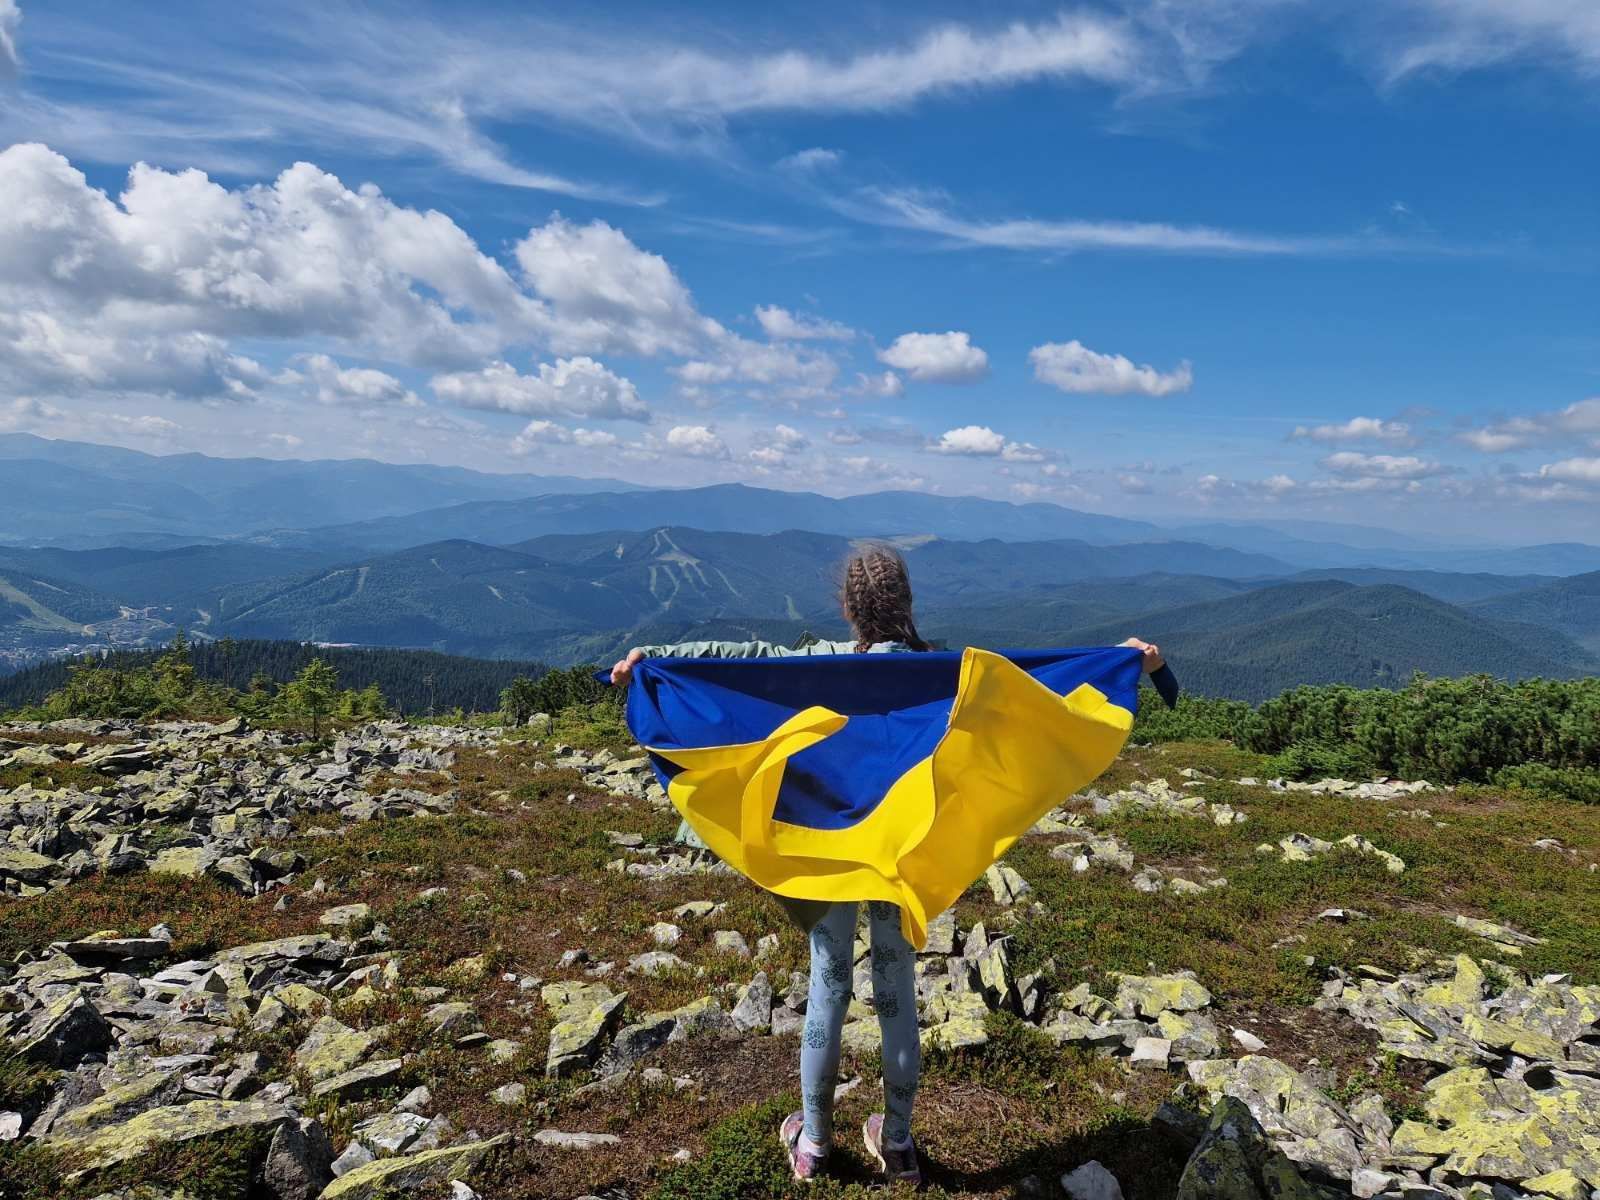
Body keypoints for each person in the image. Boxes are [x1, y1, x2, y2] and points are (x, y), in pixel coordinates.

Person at [610, 546, 1165, 1187]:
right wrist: (1125, 661)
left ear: (847, 605)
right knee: (896, 996)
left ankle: (815, 1145)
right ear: (907, 602)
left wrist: (649, 663)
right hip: (901, 854)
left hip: (831, 855)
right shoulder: (941, 674)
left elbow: (749, 659)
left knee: (829, 984)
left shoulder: (819, 663)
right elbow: (1034, 679)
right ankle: (897, 1143)